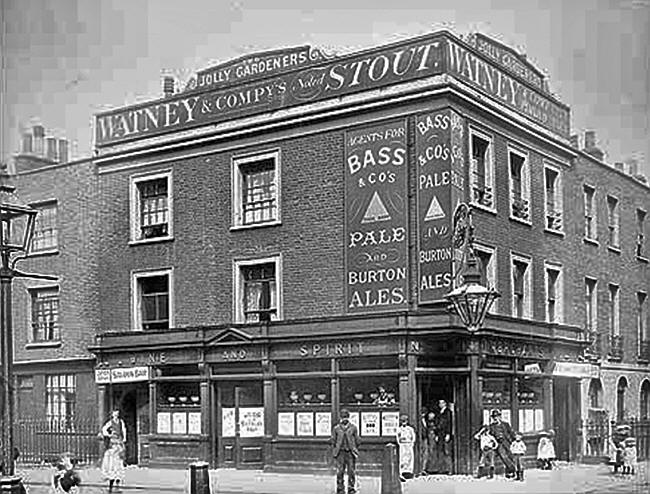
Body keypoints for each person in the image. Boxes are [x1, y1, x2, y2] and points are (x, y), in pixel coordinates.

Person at [331, 409, 360, 494]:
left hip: (350, 452)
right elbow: (333, 440)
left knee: (351, 471)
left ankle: (351, 488)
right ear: (340, 418)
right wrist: (335, 449)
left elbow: (357, 439)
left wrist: (355, 448)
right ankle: (340, 488)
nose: (344, 419)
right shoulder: (336, 428)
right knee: (340, 471)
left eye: (346, 417)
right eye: (343, 417)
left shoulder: (353, 427)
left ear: (348, 418)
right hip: (340, 452)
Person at [101, 409, 127, 493]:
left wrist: (124, 438)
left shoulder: (121, 421)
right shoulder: (110, 422)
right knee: (112, 461)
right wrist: (108, 435)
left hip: (119, 442)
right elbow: (104, 429)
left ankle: (117, 482)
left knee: (119, 461)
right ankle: (111, 481)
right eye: (114, 413)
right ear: (112, 414)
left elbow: (124, 429)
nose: (116, 415)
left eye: (117, 413)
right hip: (113, 443)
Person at [488, 409, 516, 478]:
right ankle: (513, 469)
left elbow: (511, 432)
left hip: (507, 441)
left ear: (500, 417)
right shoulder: (491, 426)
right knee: (503, 456)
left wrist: (514, 441)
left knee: (510, 455)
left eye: (497, 416)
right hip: (498, 443)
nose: (495, 418)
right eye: (494, 417)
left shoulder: (506, 424)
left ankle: (509, 472)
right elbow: (490, 435)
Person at [433, 399, 453, 474]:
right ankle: (441, 469)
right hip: (440, 434)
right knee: (440, 451)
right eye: (439, 403)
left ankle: (449, 469)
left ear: (445, 404)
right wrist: (437, 434)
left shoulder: (448, 412)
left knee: (447, 451)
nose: (440, 404)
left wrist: (448, 433)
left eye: (442, 403)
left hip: (445, 434)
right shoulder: (439, 412)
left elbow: (449, 423)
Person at [396, 414, 416, 481]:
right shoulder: (399, 429)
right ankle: (402, 472)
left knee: (409, 457)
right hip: (402, 445)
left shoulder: (410, 429)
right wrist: (400, 442)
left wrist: (411, 443)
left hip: (409, 444)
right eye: (402, 421)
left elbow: (413, 437)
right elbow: (397, 437)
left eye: (405, 421)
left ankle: (409, 472)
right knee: (402, 458)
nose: (404, 422)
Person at [417, 407, 429, 476]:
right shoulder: (418, 420)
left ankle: (423, 469)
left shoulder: (425, 420)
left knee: (425, 453)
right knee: (421, 453)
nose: (423, 414)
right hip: (420, 439)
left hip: (425, 438)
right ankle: (420, 469)